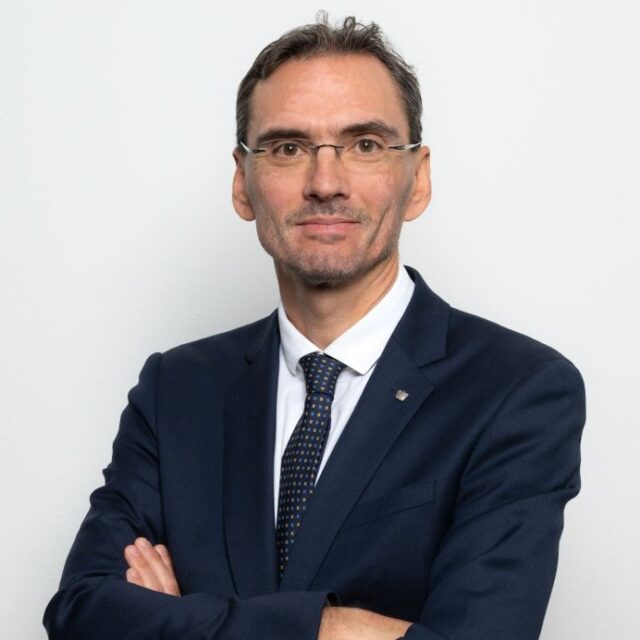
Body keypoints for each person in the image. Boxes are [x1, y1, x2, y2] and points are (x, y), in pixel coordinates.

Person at [43, 15, 586, 640]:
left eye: (365, 145)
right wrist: (331, 626)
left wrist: (174, 622)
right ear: (242, 183)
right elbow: (82, 613)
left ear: (418, 179)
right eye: (287, 148)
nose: (325, 184)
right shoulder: (176, 390)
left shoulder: (517, 390)